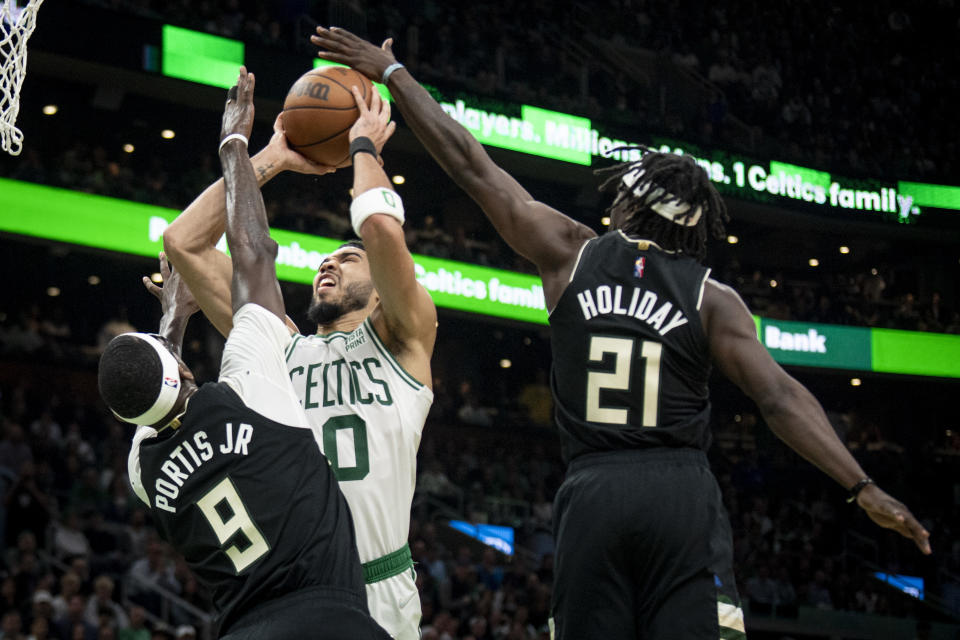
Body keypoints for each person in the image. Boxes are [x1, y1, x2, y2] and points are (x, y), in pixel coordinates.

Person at [310, 27, 933, 640]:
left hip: (594, 490)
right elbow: (780, 398)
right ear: (693, 229)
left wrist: (394, 73)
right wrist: (862, 485)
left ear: (627, 204)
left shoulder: (572, 252)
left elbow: (472, 165)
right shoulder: (712, 298)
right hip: (680, 492)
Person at [98, 68, 389, 640]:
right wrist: (252, 146)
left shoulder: (145, 467)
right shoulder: (261, 372)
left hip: (252, 621)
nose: (330, 263)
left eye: (348, 257)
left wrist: (174, 323)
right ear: (180, 367)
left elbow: (156, 394)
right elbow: (225, 249)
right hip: (336, 605)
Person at [162, 59, 436, 640]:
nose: (328, 262)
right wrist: (272, 158)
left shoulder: (404, 340)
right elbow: (182, 240)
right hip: (294, 584)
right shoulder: (278, 347)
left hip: (379, 584)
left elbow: (384, 234)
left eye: (347, 256)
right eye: (323, 259)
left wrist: (364, 147)